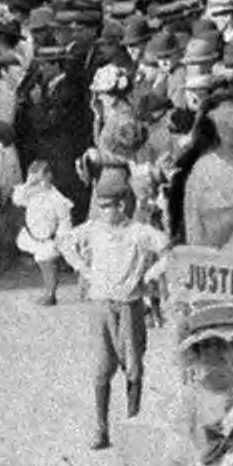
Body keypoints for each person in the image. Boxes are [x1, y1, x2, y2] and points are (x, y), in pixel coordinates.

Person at [65, 169, 169, 451]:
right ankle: (101, 430)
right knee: (101, 369)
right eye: (98, 207)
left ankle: (133, 426)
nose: (99, 213)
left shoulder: (138, 232)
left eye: (104, 207)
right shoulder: (93, 229)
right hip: (100, 306)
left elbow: (168, 251)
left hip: (129, 307)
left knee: (133, 368)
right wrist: (83, 269)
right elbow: (65, 242)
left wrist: (149, 276)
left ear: (122, 205)